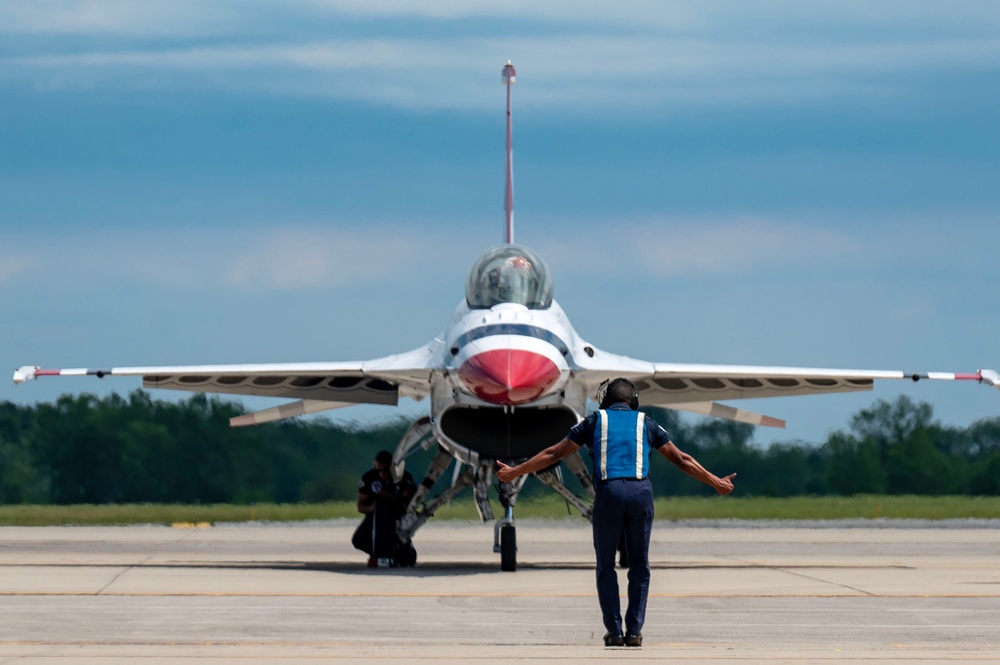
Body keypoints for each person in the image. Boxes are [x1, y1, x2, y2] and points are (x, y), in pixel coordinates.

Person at [496, 378, 736, 648]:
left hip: (608, 495)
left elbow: (553, 453)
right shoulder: (647, 423)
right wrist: (716, 481)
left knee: (605, 566)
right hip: (640, 495)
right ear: (632, 400)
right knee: (639, 566)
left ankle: (614, 631)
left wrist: (514, 472)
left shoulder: (592, 422)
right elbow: (682, 459)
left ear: (604, 400)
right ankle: (634, 632)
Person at [352, 450, 417, 568]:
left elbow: (411, 500)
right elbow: (360, 506)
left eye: (386, 471)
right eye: (378, 471)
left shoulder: (404, 477)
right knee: (358, 540)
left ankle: (401, 550)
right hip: (375, 516)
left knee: (407, 559)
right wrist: (372, 509)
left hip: (396, 517)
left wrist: (391, 497)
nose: (382, 474)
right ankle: (377, 553)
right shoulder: (369, 478)